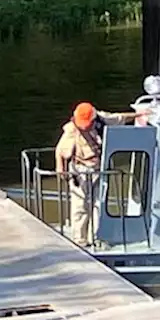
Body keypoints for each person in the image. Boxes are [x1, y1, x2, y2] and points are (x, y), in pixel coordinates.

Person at [54, 101, 130, 246]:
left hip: (98, 169)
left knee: (98, 204)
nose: (84, 126)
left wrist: (140, 114)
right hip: (80, 170)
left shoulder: (102, 120)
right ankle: (79, 239)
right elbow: (60, 150)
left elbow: (120, 118)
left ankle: (95, 237)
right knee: (80, 205)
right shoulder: (71, 129)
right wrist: (60, 167)